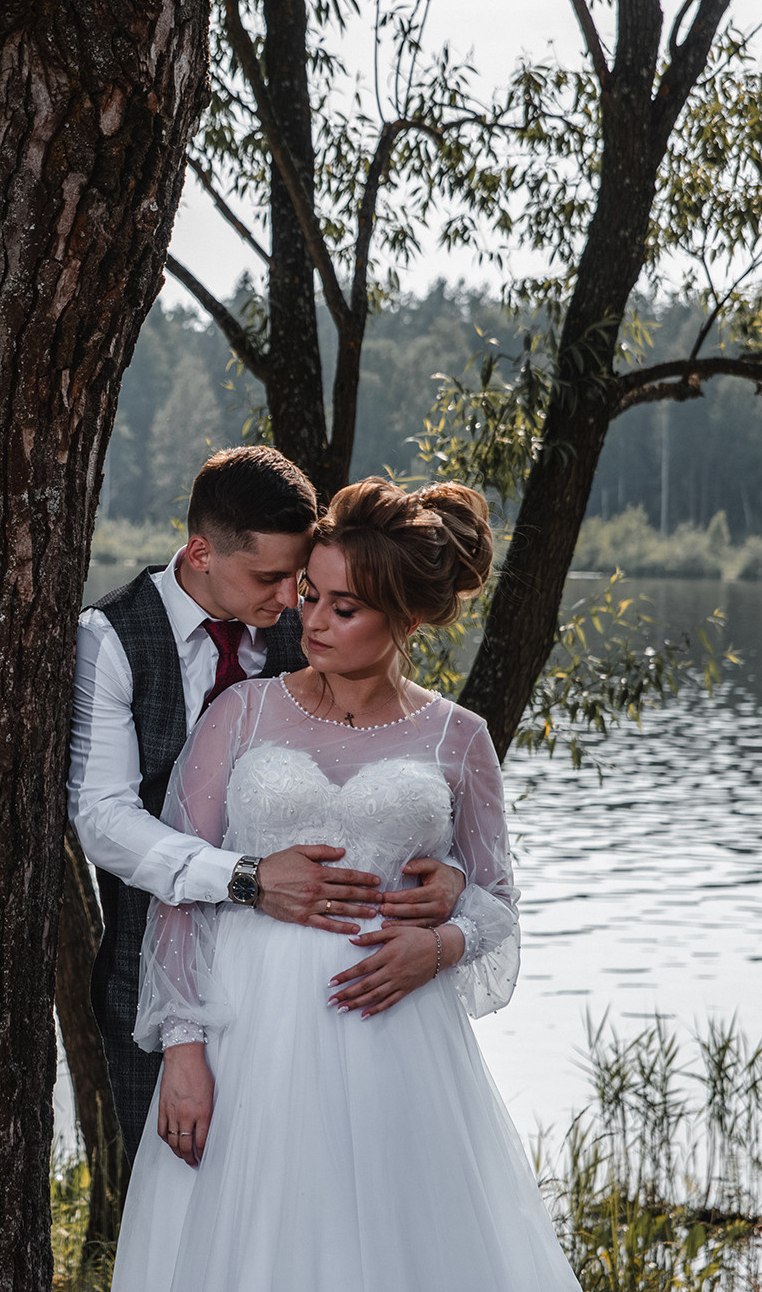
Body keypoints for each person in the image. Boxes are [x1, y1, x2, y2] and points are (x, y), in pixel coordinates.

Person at [109, 476, 581, 1292]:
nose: (311, 620)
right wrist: (183, 1051)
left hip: (393, 1036)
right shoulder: (243, 713)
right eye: (310, 595)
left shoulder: (458, 738)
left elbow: (497, 901)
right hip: (244, 1032)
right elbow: (180, 889)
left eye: (344, 606)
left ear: (404, 617)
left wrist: (440, 943)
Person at [68, 448, 467, 1175]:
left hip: (329, 1000)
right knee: (189, 1210)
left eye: (304, 580)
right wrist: (246, 877)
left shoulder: (311, 630)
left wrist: (448, 877)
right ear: (199, 551)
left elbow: (396, 759)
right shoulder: (111, 640)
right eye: (271, 578)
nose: (292, 600)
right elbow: (101, 818)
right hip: (155, 980)